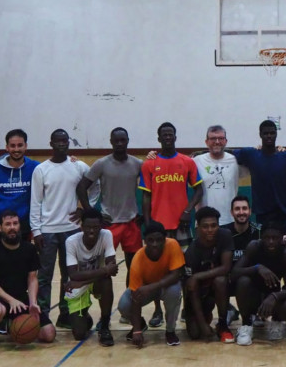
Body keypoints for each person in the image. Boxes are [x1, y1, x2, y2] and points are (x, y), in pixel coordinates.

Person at [139, 121, 202, 326]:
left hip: (181, 226)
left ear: (176, 136)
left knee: (184, 269)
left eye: (171, 134)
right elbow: (146, 198)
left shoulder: (187, 162)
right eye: (164, 135)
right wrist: (148, 226)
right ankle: (157, 310)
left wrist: (187, 210)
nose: (167, 137)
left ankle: (186, 308)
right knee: (158, 272)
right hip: (158, 229)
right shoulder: (149, 164)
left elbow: (199, 190)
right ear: (159, 138)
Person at [30, 128, 89, 328]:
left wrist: (85, 210)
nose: (62, 144)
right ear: (51, 144)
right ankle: (43, 315)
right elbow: (35, 202)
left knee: (69, 274)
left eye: (65, 141)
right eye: (58, 141)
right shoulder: (41, 169)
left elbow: (96, 186)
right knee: (45, 275)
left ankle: (65, 314)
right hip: (47, 231)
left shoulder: (79, 166)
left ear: (68, 143)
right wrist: (36, 230)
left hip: (72, 229)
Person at [76, 127, 142, 283]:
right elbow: (81, 187)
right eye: (116, 140)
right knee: (104, 270)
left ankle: (130, 303)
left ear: (127, 141)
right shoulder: (101, 164)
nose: (119, 143)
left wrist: (145, 213)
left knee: (134, 268)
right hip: (109, 223)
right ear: (111, 142)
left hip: (132, 223)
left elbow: (151, 188)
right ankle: (105, 305)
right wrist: (91, 213)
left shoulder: (138, 163)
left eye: (123, 140)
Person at [0, 209, 56, 346]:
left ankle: (11, 324)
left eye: (15, 223)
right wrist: (10, 300)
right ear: (0, 228)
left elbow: (32, 279)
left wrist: (33, 302)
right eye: (8, 224)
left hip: (21, 299)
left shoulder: (29, 249)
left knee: (49, 334)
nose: (12, 228)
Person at [118, 222, 185, 347]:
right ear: (145, 241)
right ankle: (141, 325)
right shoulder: (137, 259)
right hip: (144, 290)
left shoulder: (173, 245)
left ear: (165, 240)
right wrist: (137, 330)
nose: (155, 244)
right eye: (151, 240)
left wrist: (151, 287)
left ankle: (170, 330)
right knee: (124, 305)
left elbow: (176, 275)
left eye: (159, 240)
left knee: (174, 291)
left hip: (164, 286)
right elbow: (135, 297)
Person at [232, 223, 286, 344]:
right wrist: (257, 268)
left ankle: (276, 321)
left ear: (281, 238)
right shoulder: (254, 247)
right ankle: (246, 324)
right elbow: (234, 272)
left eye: (275, 238)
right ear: (261, 238)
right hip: (254, 295)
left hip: (273, 296)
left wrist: (274, 296)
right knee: (243, 281)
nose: (271, 241)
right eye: (267, 238)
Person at [231, 121, 286, 233]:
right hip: (263, 214)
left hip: (285, 213)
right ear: (260, 134)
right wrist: (200, 154)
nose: (269, 136)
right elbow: (227, 154)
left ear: (276, 134)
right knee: (264, 248)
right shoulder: (250, 154)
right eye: (266, 133)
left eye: (272, 133)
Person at [64, 208, 118, 346]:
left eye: (95, 227)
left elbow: (112, 270)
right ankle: (85, 318)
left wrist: (83, 282)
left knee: (107, 280)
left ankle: (105, 326)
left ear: (101, 226)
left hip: (93, 282)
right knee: (79, 334)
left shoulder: (106, 235)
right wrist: (104, 270)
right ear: (82, 226)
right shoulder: (71, 241)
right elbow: (73, 274)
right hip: (77, 284)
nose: (92, 231)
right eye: (88, 227)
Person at [183, 206, 234, 342]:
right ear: (198, 227)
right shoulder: (191, 253)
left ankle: (223, 325)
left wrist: (197, 276)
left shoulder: (225, 235)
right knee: (195, 334)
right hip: (199, 294)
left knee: (221, 280)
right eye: (205, 226)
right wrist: (203, 325)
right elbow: (191, 288)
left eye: (214, 225)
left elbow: (226, 267)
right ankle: (205, 316)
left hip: (217, 286)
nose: (210, 230)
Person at [0, 128, 39, 240]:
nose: (16, 149)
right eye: (12, 146)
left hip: (23, 223)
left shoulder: (36, 168)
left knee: (23, 257)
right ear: (7, 147)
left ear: (26, 146)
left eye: (20, 145)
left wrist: (73, 161)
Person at [194, 125, 239, 225]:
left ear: (226, 141)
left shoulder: (235, 160)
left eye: (221, 138)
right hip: (204, 222)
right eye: (213, 138)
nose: (217, 142)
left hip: (230, 221)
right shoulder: (196, 162)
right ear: (206, 142)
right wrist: (151, 156)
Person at [221, 195, 261, 264]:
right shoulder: (223, 232)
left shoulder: (260, 230)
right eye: (237, 209)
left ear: (250, 211)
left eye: (244, 208)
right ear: (231, 212)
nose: (241, 212)